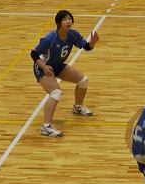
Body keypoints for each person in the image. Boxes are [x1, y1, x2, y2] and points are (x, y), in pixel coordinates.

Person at [30, 9, 100, 137]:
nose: (68, 21)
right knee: (56, 93)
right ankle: (46, 127)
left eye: (70, 19)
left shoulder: (72, 34)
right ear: (58, 23)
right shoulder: (50, 38)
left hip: (57, 65)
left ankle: (78, 107)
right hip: (42, 68)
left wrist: (92, 43)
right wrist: (45, 68)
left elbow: (86, 47)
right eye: (65, 19)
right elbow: (33, 54)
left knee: (83, 80)